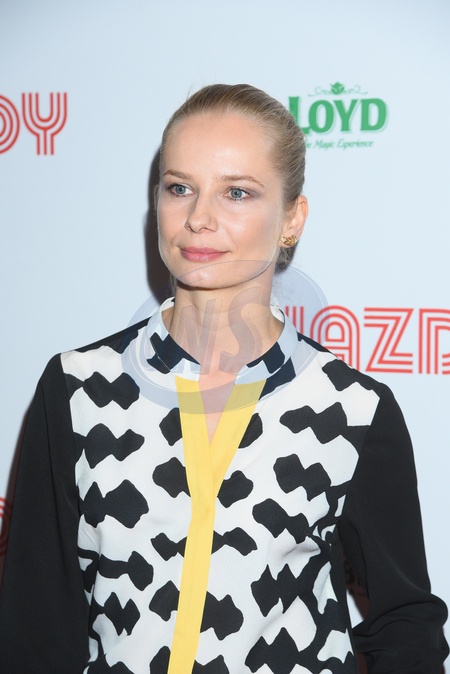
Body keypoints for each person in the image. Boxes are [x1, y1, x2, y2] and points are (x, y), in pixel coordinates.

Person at [0, 83, 448, 674]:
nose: (198, 218)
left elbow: (406, 626)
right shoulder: (76, 388)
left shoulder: (352, 409)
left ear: (292, 219)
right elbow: (35, 623)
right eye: (179, 188)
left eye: (236, 192)